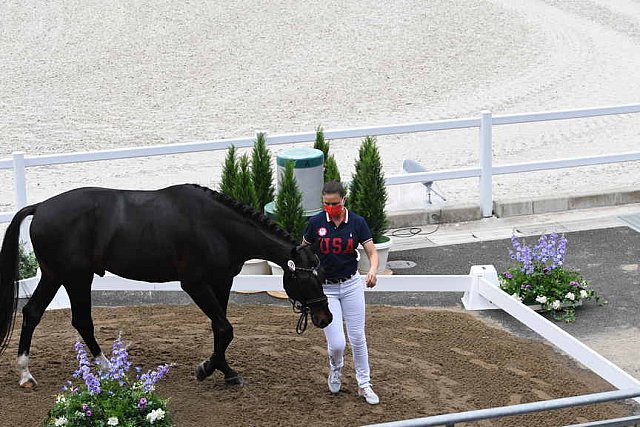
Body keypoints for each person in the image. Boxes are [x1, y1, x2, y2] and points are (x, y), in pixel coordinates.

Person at [302, 180, 380, 405]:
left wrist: (372, 271)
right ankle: (335, 368)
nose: (330, 207)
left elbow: (372, 252)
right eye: (326, 203)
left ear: (343, 200)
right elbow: (304, 251)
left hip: (351, 284)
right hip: (326, 289)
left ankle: (364, 384)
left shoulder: (357, 222)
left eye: (334, 203)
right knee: (337, 344)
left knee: (357, 338)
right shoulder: (316, 223)